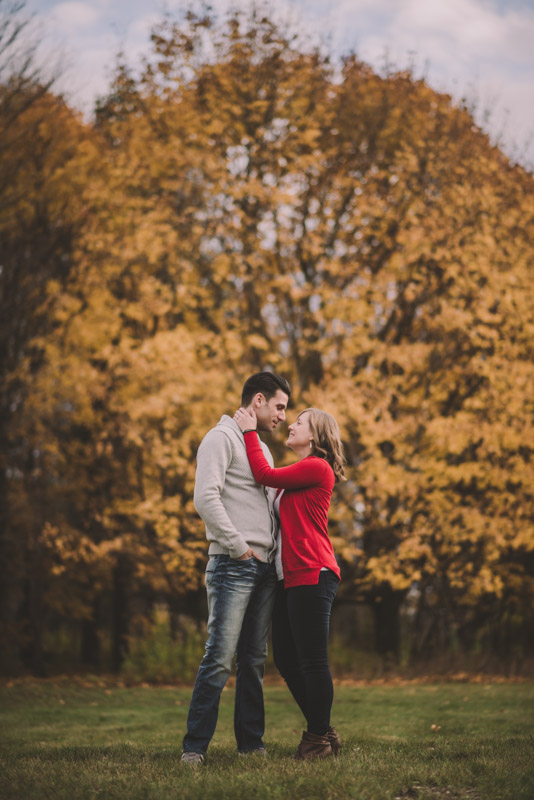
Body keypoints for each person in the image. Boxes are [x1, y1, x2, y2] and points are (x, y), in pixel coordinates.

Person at [181, 372, 291, 765]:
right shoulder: (219, 438)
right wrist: (240, 547)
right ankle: (194, 748)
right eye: (279, 406)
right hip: (233, 564)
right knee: (219, 656)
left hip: (262, 571)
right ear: (258, 400)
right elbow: (205, 498)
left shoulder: (259, 446)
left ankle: (250, 744)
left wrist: (269, 555)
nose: (282, 416)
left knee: (253, 660)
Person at [233, 404, 346, 761]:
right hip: (290, 576)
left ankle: (316, 739)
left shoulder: (316, 466)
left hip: (313, 572)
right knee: (284, 657)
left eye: (299, 422)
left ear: (315, 435)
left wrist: (250, 431)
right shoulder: (301, 471)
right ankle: (323, 728)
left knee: (312, 660)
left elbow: (264, 473)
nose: (291, 425)